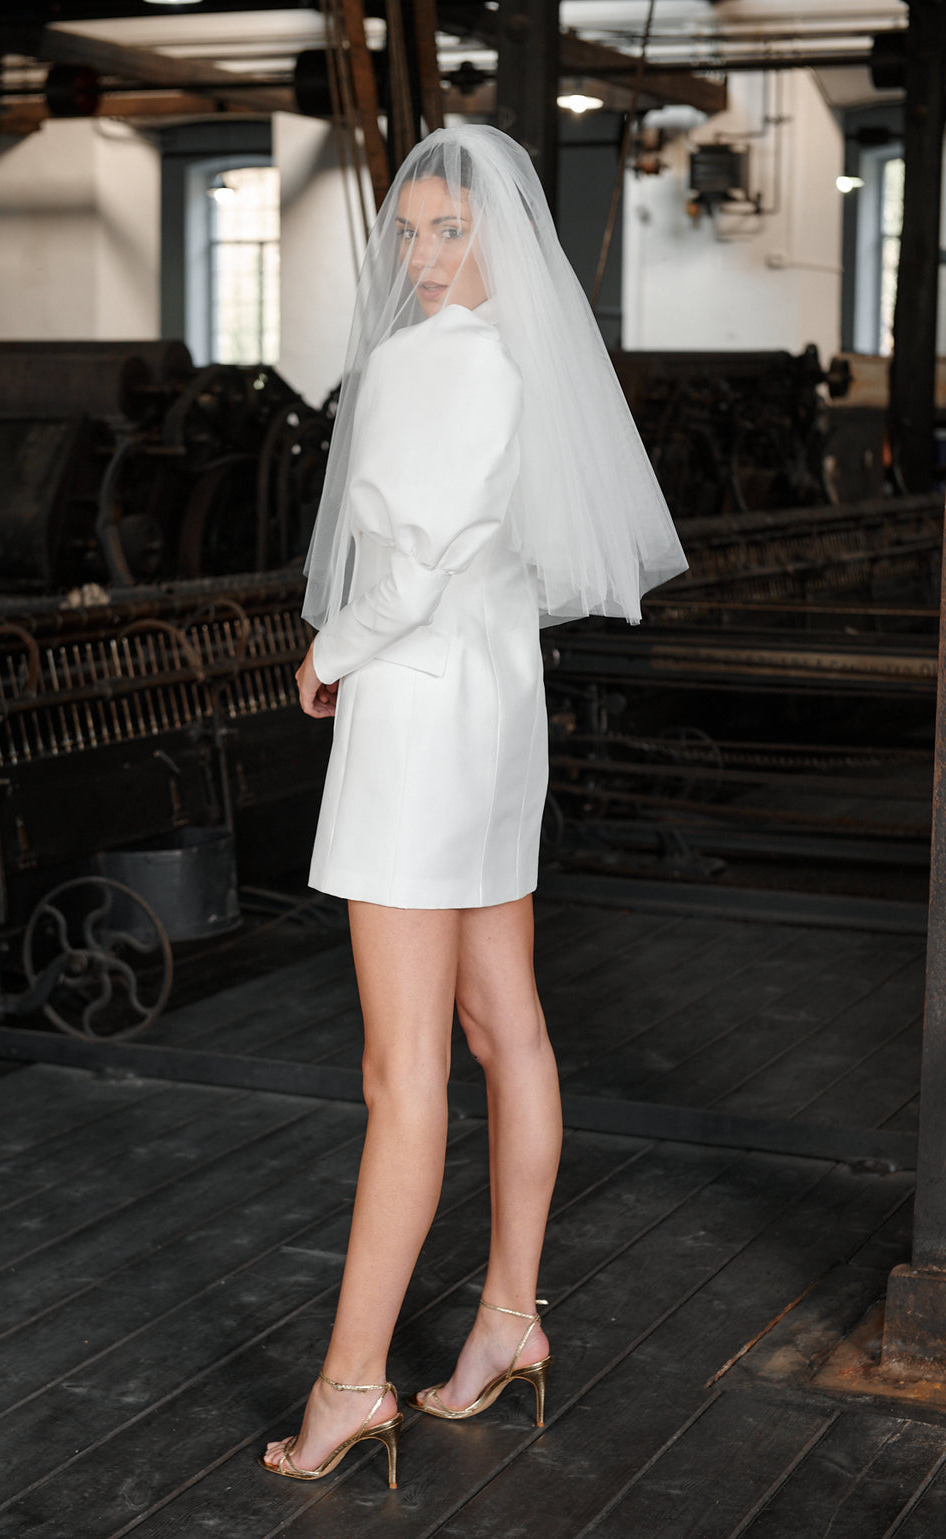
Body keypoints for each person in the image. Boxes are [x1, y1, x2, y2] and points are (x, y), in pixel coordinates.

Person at [260, 124, 686, 1489]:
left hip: (418, 731)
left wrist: (326, 653)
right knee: (509, 1030)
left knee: (403, 1073)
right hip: (499, 723)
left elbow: (408, 575)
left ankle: (350, 1386)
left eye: (451, 230)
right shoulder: (528, 364)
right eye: (412, 233)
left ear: (500, 233)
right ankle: (508, 1319)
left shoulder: (426, 364)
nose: (426, 257)